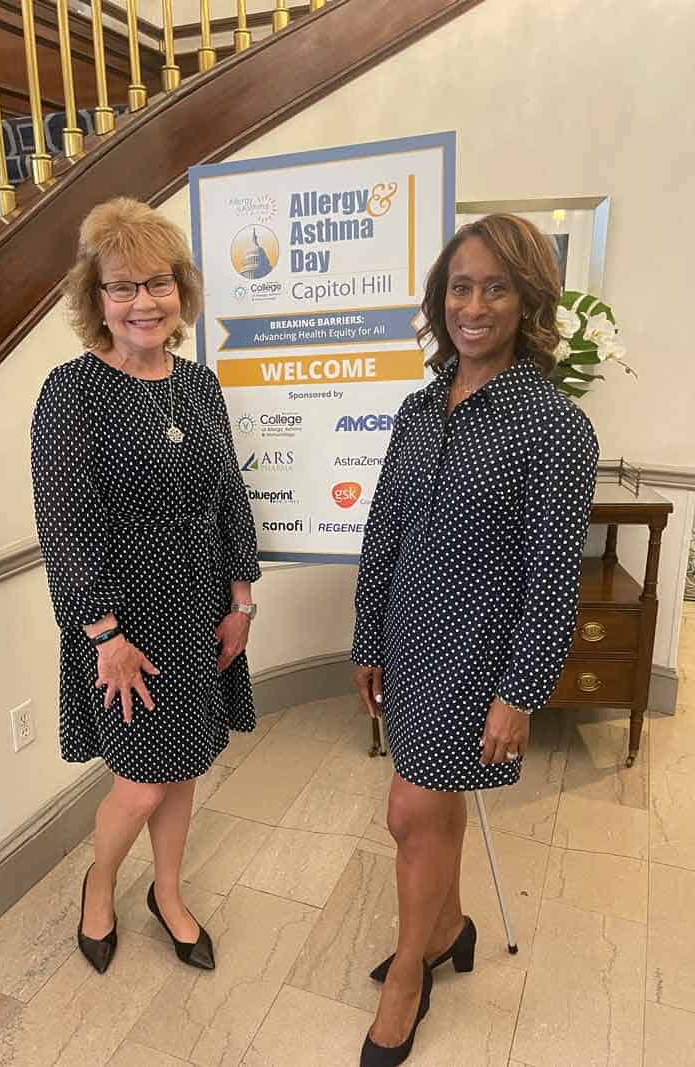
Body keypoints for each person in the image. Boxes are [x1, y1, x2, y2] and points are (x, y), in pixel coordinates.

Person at [352, 214, 599, 1066]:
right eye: (460, 286)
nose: (474, 305)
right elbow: (384, 531)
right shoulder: (418, 409)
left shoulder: (554, 426)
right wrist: (366, 637)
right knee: (429, 809)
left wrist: (519, 692)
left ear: (528, 300)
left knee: (407, 810)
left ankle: (407, 979)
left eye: (496, 287)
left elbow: (553, 578)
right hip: (408, 640)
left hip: (478, 656)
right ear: (440, 298)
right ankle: (449, 926)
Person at [31, 197, 260, 975]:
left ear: (181, 291)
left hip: (202, 606)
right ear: (96, 298)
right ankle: (99, 883)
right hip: (124, 619)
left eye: (158, 283)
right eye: (123, 286)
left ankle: (167, 891)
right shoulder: (71, 391)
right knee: (138, 782)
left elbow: (229, 497)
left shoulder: (198, 384)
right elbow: (66, 522)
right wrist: (103, 634)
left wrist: (241, 598)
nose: (144, 302)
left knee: (184, 763)